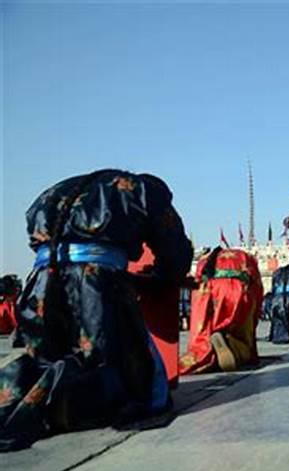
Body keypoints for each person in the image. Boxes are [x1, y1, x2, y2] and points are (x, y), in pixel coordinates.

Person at [0, 169, 192, 451]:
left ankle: (38, 390)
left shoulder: (58, 188)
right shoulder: (143, 190)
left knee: (45, 353)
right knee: (114, 368)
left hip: (42, 281)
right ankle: (68, 399)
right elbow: (174, 250)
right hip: (97, 283)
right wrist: (164, 276)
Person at [179, 247, 263, 374]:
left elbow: (198, 281)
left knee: (205, 332)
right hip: (239, 289)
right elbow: (257, 287)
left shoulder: (205, 259)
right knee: (243, 335)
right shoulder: (246, 257)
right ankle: (233, 345)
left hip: (209, 289)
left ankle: (209, 349)